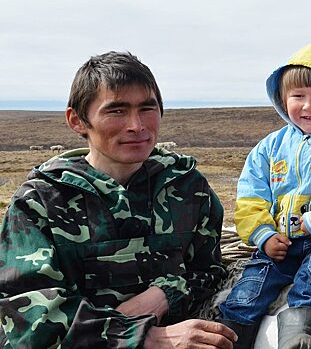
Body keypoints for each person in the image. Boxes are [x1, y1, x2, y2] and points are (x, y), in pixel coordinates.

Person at [0, 51, 237, 348]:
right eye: (117, 111)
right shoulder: (40, 202)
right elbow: (25, 316)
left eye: (147, 109)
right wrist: (145, 338)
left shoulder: (189, 187)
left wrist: (165, 294)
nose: (136, 125)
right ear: (77, 120)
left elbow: (208, 270)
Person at [217, 42, 311, 349]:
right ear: (282, 99)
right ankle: (228, 336)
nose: (307, 106)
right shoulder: (269, 147)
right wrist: (263, 234)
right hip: (279, 242)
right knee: (252, 283)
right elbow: (251, 195)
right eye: (297, 96)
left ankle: (300, 338)